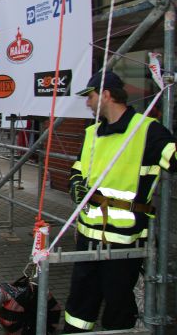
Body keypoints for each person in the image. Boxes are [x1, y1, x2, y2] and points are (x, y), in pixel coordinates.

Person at [63, 71, 177, 333]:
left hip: (124, 240)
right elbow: (77, 168)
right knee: (79, 303)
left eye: (90, 96)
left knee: (118, 306)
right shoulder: (92, 132)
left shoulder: (147, 131)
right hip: (87, 235)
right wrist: (75, 184)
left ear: (106, 95)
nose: (87, 103)